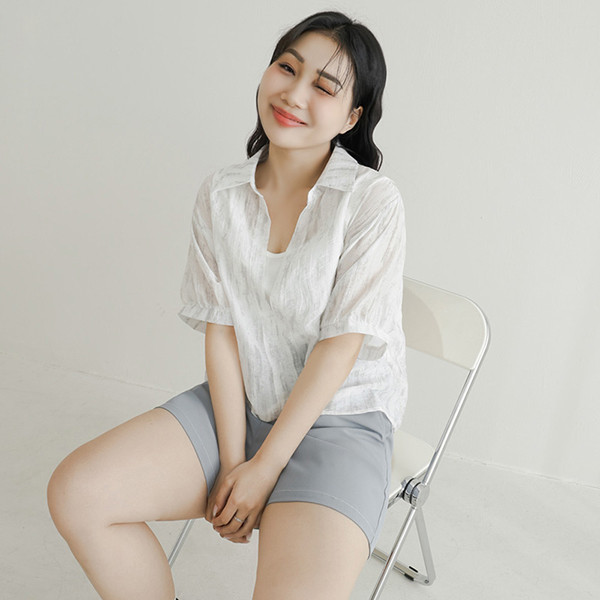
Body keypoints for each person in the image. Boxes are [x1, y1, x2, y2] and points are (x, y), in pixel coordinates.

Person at [47, 10, 407, 600]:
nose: (294, 93)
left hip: (339, 421)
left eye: (324, 86)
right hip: (241, 404)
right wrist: (235, 459)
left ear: (352, 117)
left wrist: (264, 470)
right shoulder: (222, 194)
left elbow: (340, 348)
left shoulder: (370, 201)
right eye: (287, 68)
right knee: (78, 493)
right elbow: (222, 330)